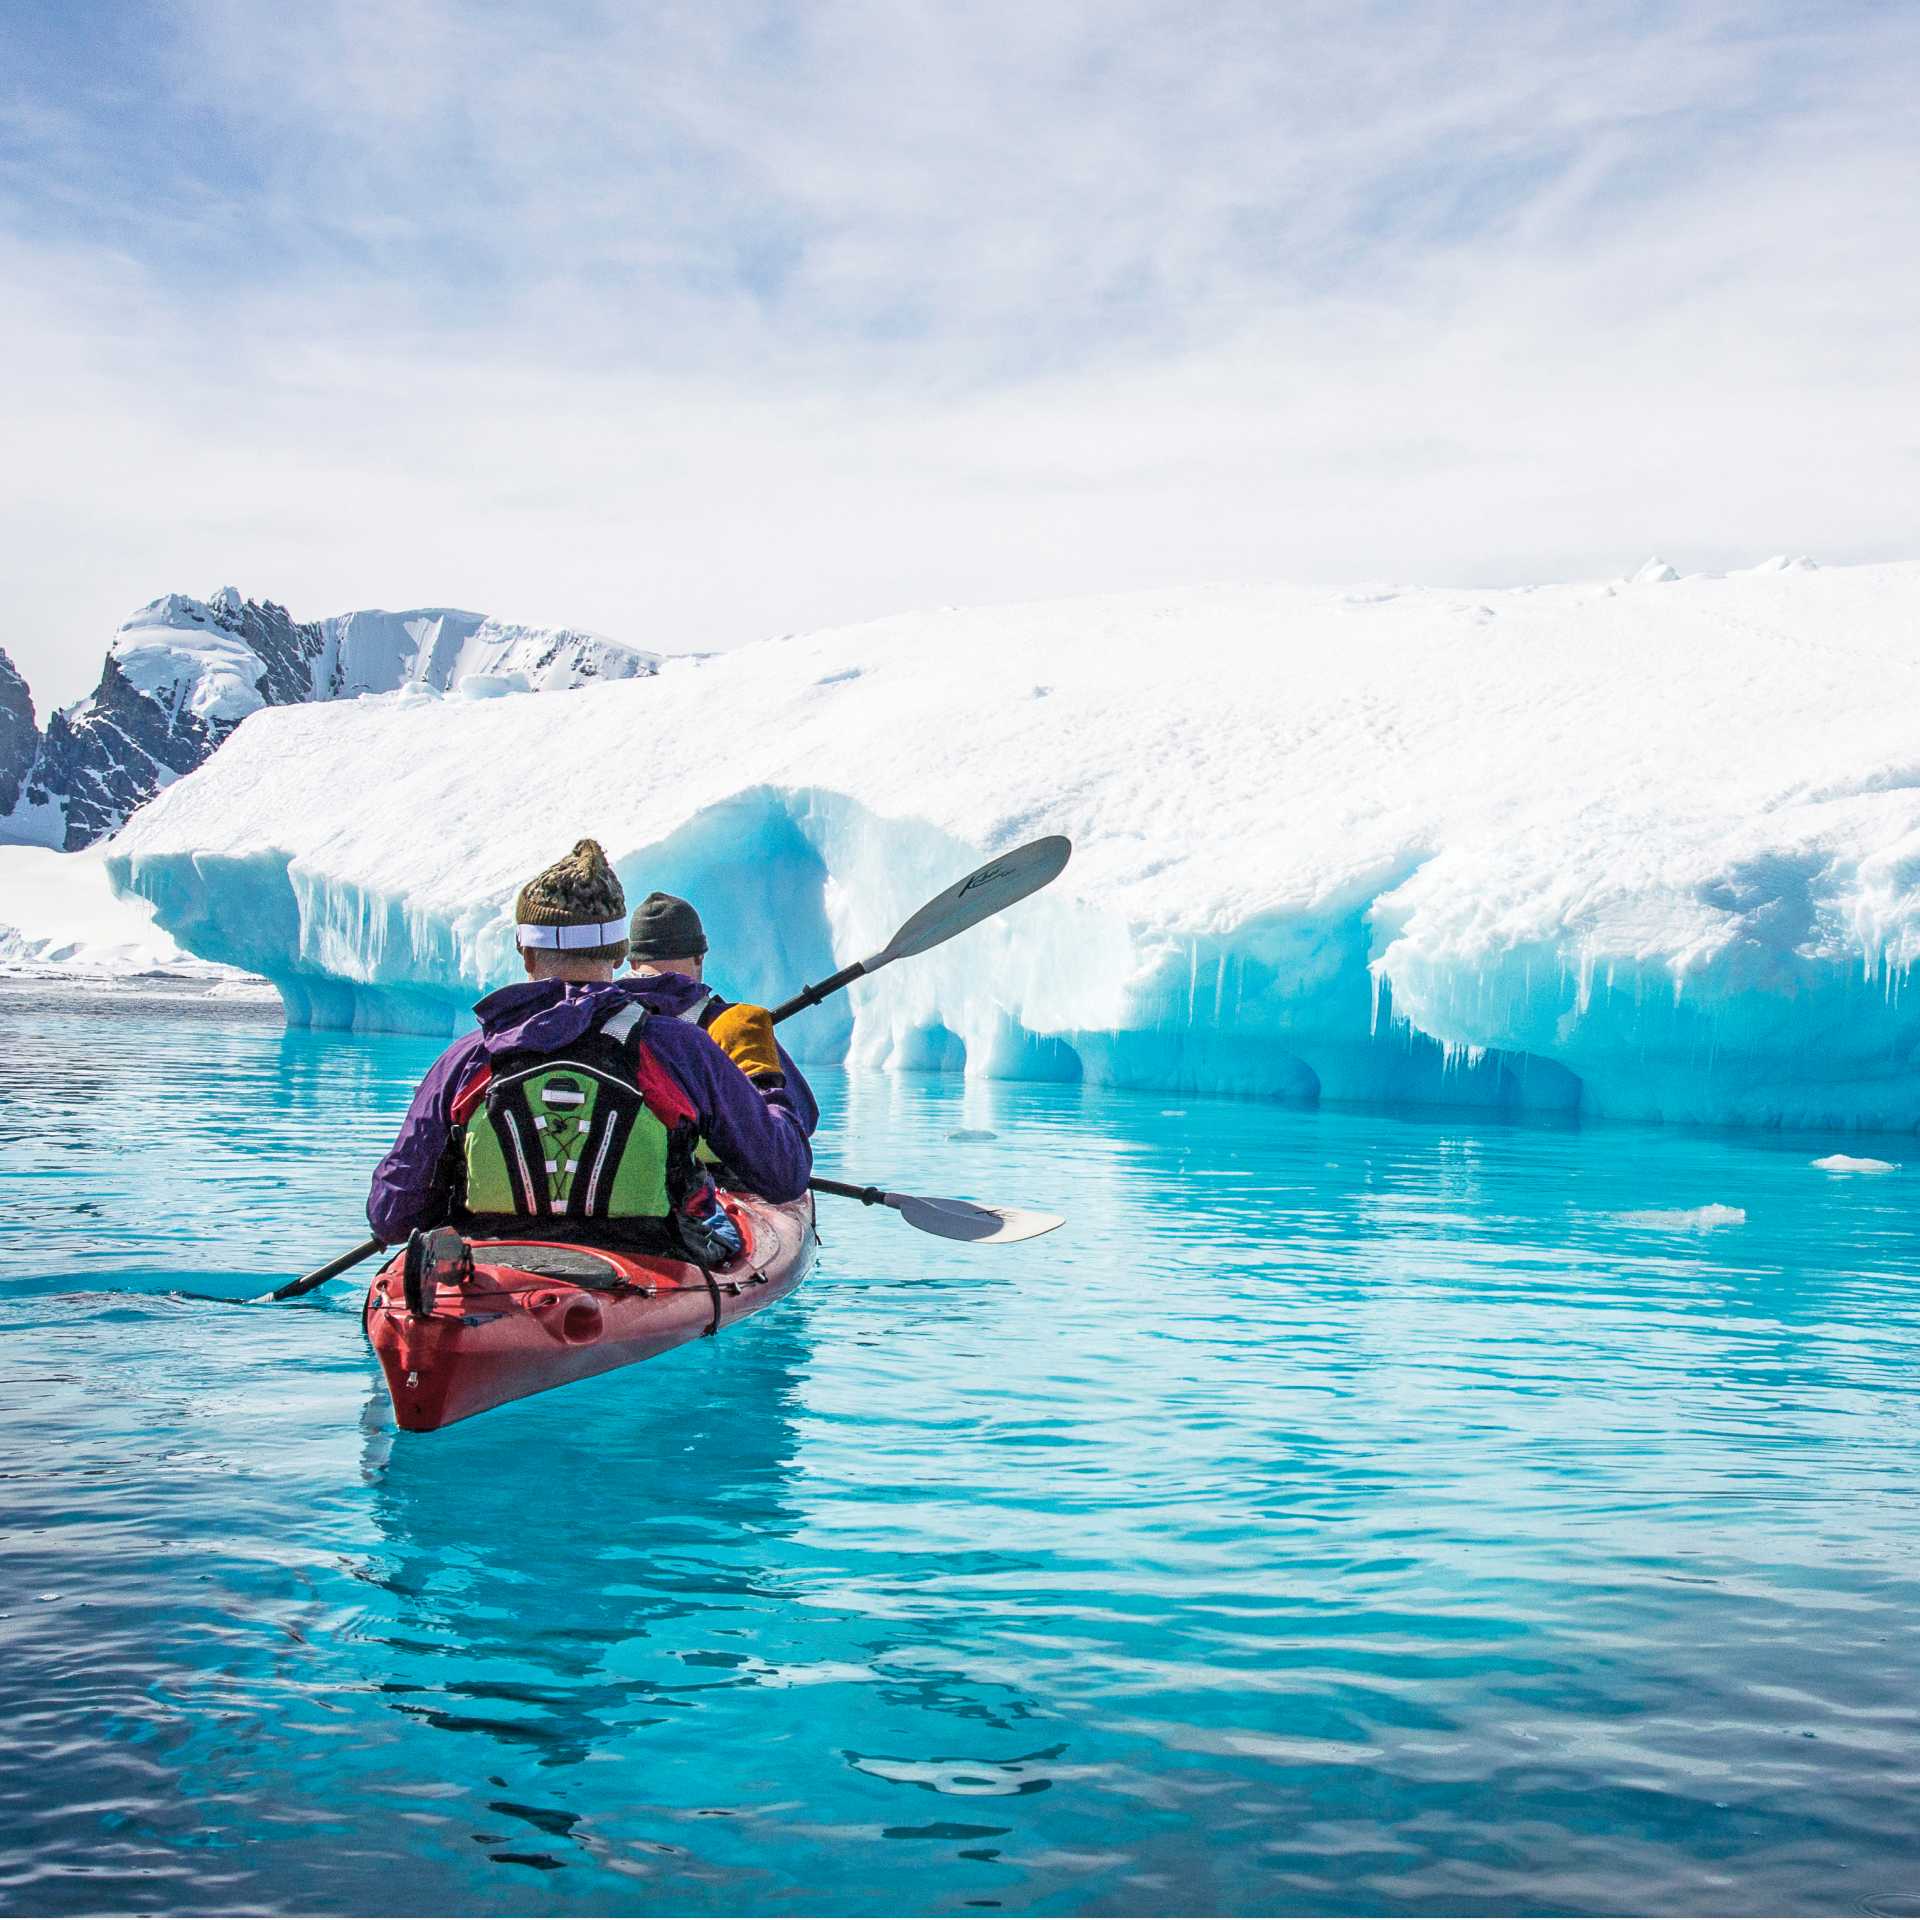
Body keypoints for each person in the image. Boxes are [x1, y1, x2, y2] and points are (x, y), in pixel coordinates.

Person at [366, 841, 810, 1259]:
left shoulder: (467, 1058)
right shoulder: (680, 1048)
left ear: (525, 953)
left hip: (491, 1264)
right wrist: (765, 1084)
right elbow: (783, 1174)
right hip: (651, 1260)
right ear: (619, 954)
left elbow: (391, 1217)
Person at [625, 891, 820, 1138]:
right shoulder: (730, 1023)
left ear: (632, 961)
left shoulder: (601, 1015)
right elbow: (803, 1117)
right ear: (699, 956)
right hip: (698, 1172)